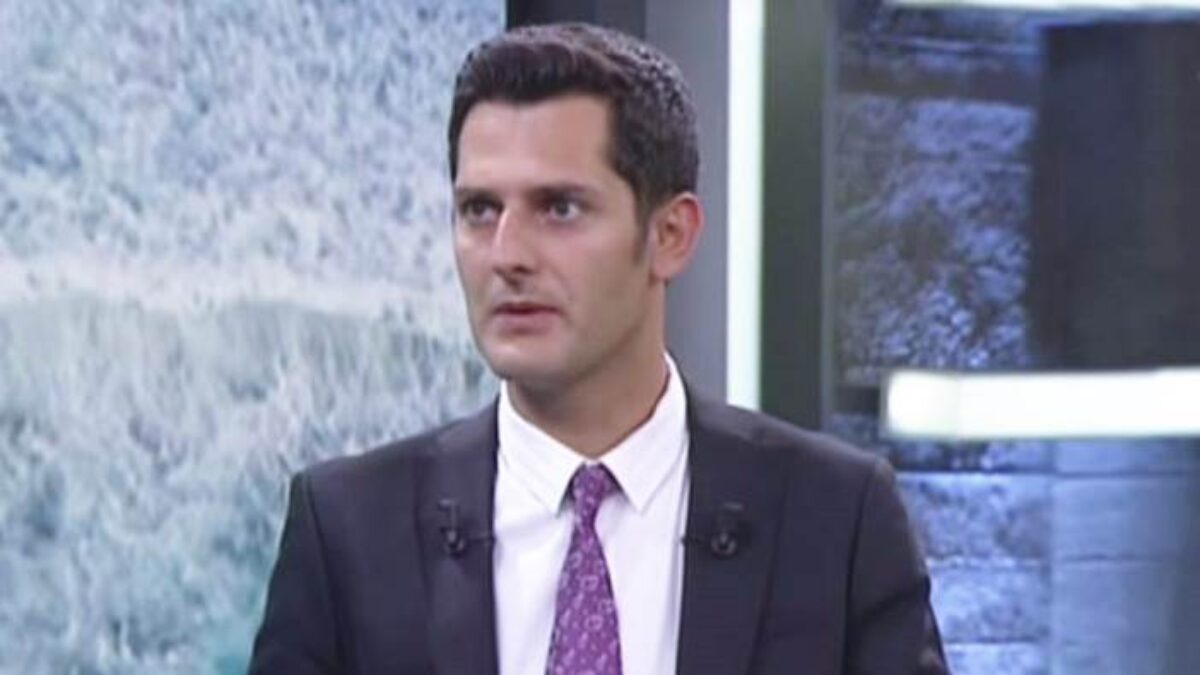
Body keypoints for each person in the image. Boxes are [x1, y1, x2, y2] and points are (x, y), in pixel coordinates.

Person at [249, 22, 947, 675]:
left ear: (670, 235)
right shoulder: (347, 529)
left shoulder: (835, 521)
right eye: (479, 210)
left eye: (559, 208)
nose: (507, 255)